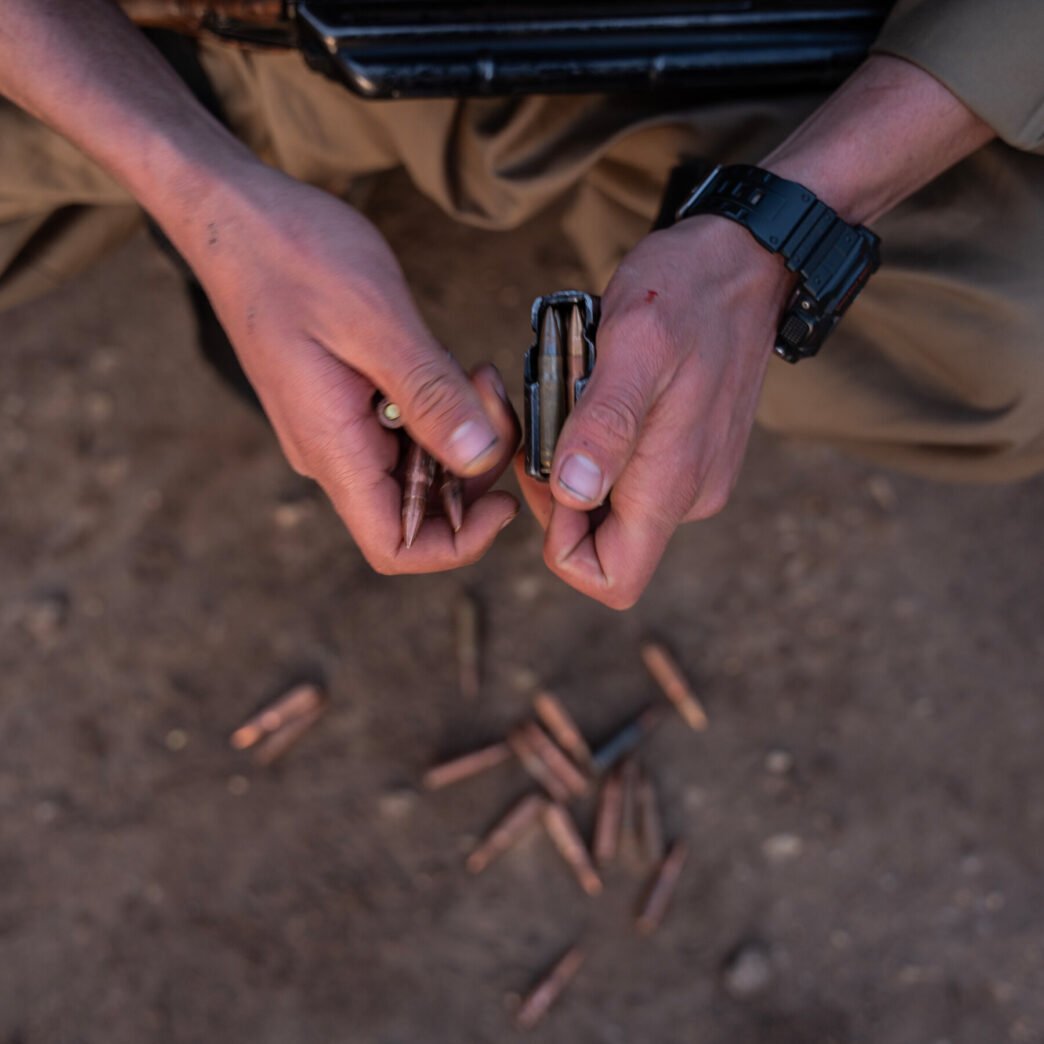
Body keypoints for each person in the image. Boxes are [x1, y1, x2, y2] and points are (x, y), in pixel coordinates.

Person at [1, 2, 1041, 609]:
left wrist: (783, 226)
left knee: (1009, 352)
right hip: (172, 39)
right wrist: (197, 189)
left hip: (692, 47)